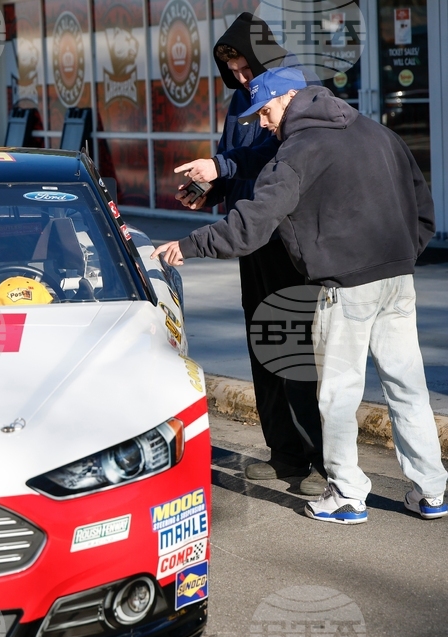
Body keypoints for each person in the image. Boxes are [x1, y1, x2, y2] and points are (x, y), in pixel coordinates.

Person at [152, 67, 447, 524]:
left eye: (266, 112)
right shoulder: (377, 132)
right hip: (398, 279)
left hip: (346, 286)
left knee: (338, 394)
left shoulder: (299, 151)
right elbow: (422, 205)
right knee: (407, 387)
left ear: (290, 97)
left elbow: (251, 225)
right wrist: (404, 254)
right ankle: (432, 491)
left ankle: (347, 496)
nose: (264, 123)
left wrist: (188, 245)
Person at [173, 13, 325, 495]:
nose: (241, 79)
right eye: (234, 72)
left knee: (296, 352)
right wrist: (209, 190)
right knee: (264, 346)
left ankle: (321, 461)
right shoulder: (240, 101)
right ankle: (284, 453)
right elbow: (235, 167)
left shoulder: (297, 91)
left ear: (263, 56)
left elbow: (274, 156)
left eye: (245, 68)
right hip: (250, 241)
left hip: (288, 241)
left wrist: (220, 165)